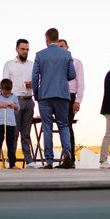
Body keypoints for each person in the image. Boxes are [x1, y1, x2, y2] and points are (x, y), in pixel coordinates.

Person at [32, 28, 76, 169]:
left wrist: (37, 93)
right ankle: (67, 153)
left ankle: (49, 161)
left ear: (46, 39)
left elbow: (34, 77)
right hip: (63, 95)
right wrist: (61, 78)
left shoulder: (40, 55)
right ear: (57, 39)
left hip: (45, 95)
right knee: (63, 125)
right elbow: (72, 74)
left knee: (47, 126)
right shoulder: (67, 54)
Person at [3, 39, 38, 168]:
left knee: (26, 133)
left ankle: (29, 161)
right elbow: (5, 84)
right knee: (14, 133)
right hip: (15, 100)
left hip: (29, 100)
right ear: (17, 49)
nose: (25, 51)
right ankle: (11, 161)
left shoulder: (32, 64)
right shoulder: (9, 64)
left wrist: (33, 84)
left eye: (27, 49)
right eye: (23, 49)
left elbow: (38, 82)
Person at [58, 39, 84, 165]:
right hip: (57, 96)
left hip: (70, 96)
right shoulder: (55, 63)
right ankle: (65, 157)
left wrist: (78, 100)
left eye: (62, 46)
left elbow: (81, 83)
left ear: (67, 47)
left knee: (67, 126)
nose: (60, 48)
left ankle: (71, 158)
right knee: (61, 126)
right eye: (58, 47)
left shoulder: (76, 62)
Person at [0, 78, 19, 169]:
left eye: (9, 93)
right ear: (1, 89)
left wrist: (14, 106)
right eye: (5, 93)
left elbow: (18, 107)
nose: (7, 95)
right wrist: (0, 105)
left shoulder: (14, 97)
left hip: (11, 123)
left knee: (11, 143)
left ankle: (12, 164)